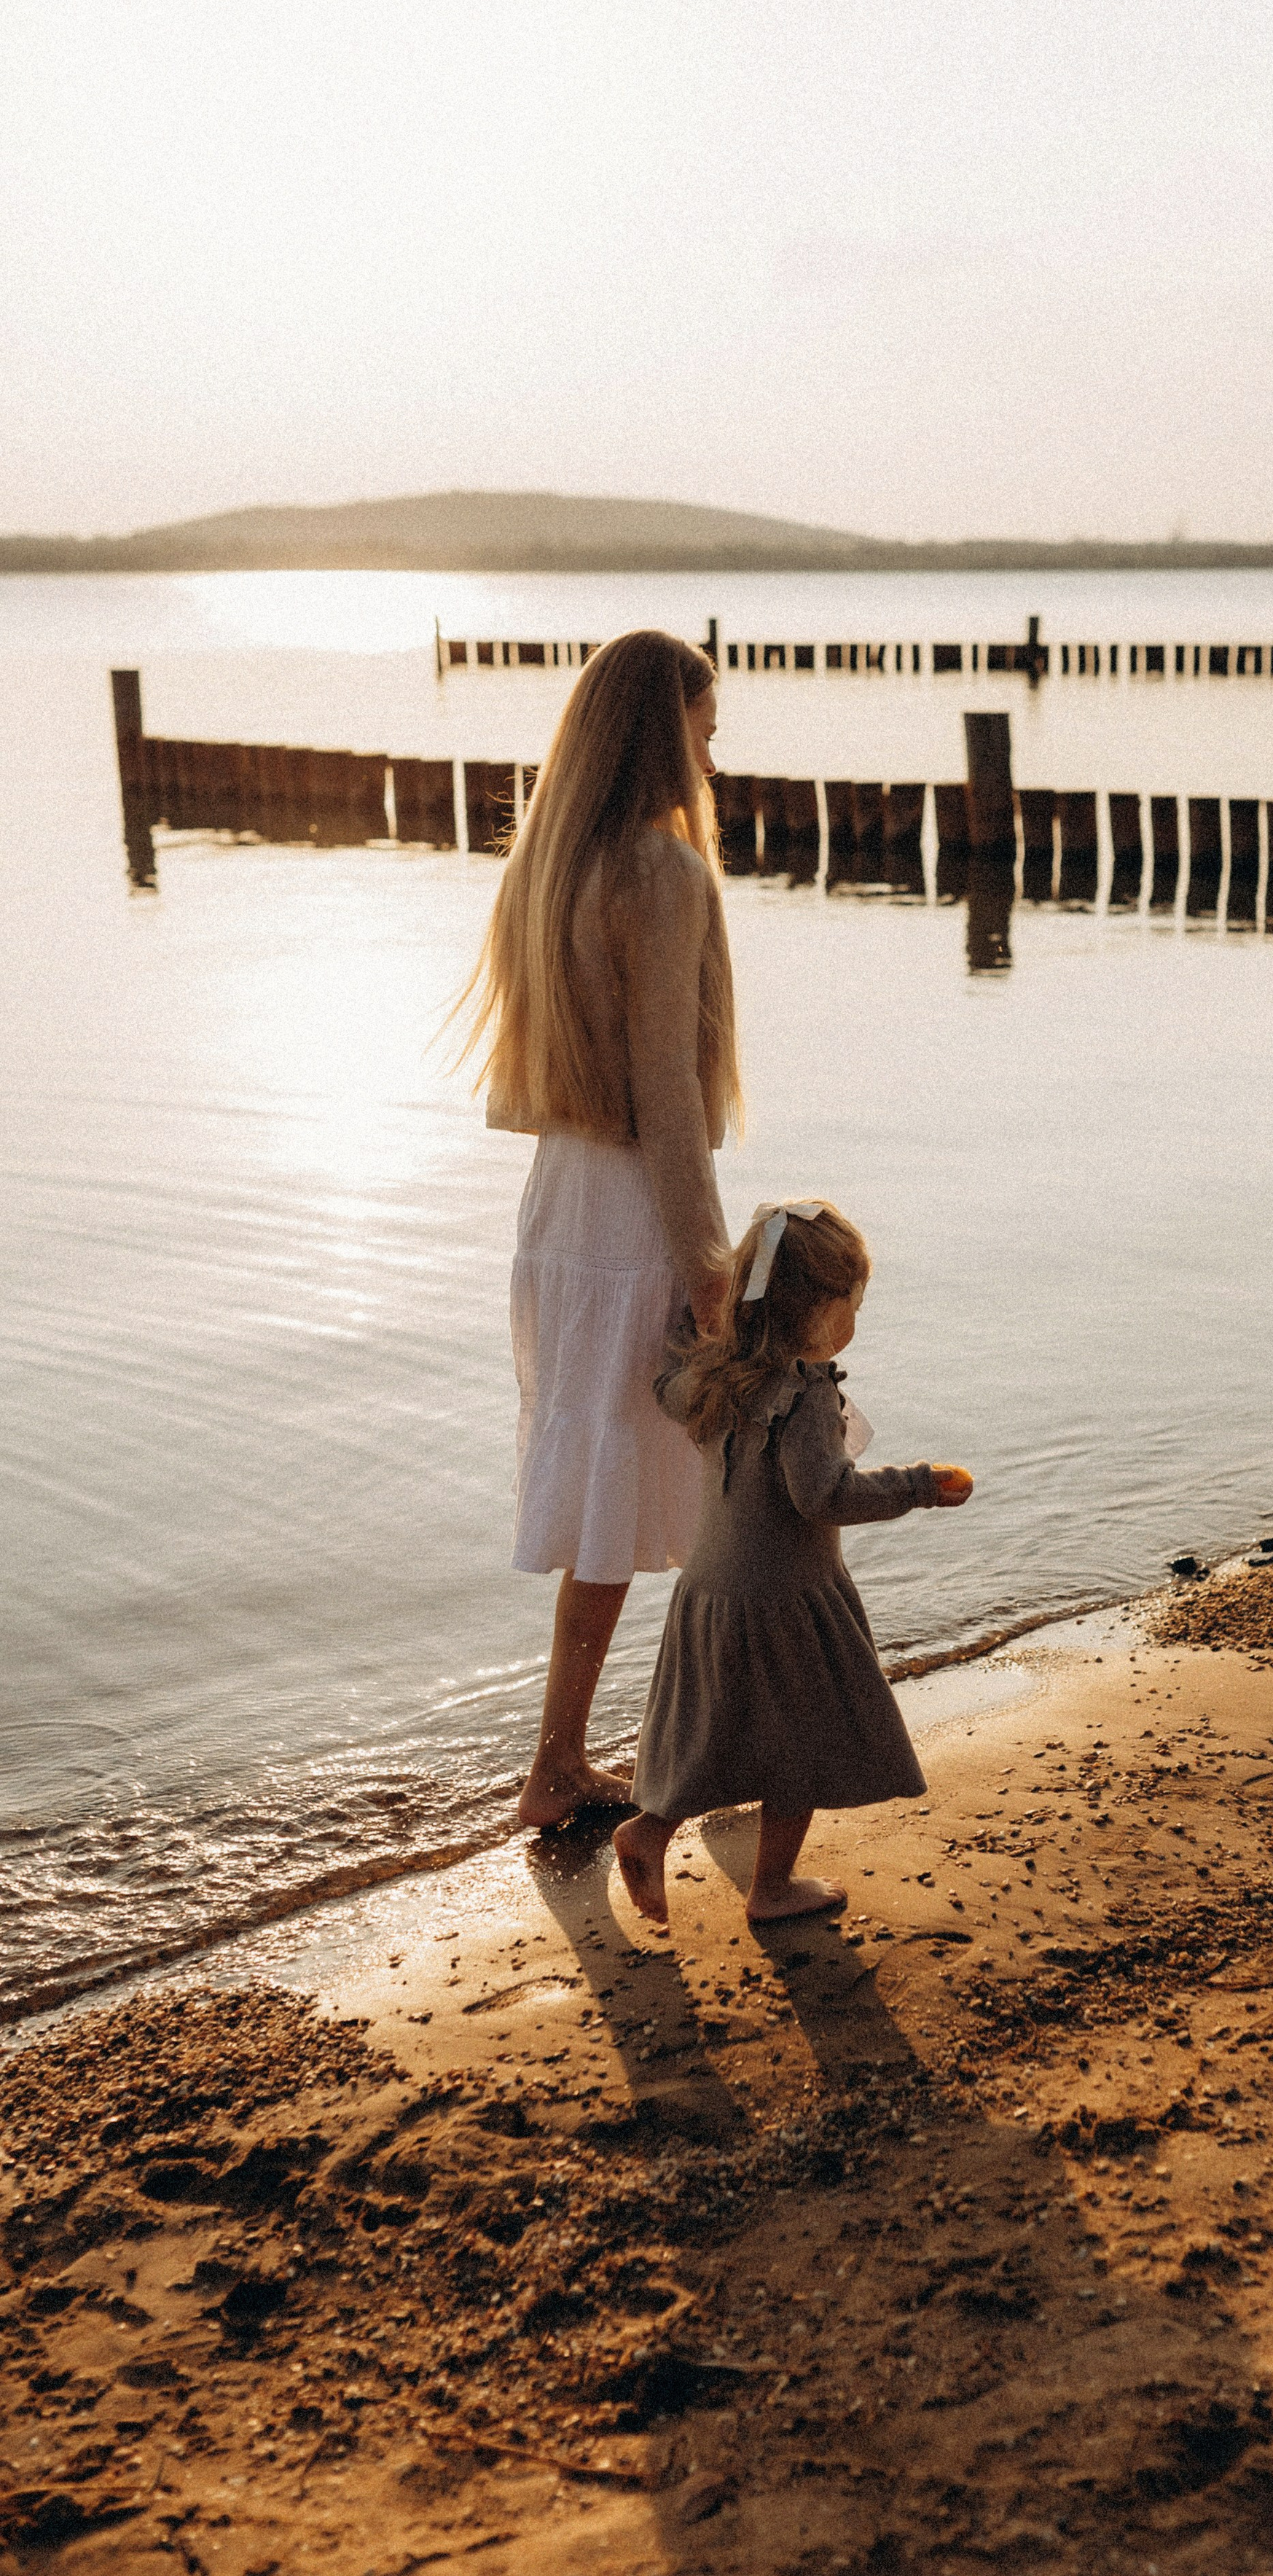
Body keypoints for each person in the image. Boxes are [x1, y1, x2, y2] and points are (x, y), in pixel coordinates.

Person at [453, 630, 740, 1828]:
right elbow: (667, 1094)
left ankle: (569, 1758)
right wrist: (710, 1264)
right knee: (707, 1484)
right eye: (706, 733)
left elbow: (564, 1082)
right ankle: (599, 1757)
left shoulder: (546, 867)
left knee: (611, 1493)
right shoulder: (661, 875)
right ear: (661, 736)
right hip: (633, 1208)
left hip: (560, 1206)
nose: (716, 756)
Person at [613, 1200, 972, 1927]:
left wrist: (680, 1328)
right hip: (785, 1600)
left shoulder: (718, 1373)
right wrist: (917, 1485)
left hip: (710, 1592)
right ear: (817, 1310)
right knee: (798, 1744)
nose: (855, 1314)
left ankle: (649, 1831)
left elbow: (665, 1386)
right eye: (851, 1300)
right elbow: (824, 1495)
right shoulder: (804, 1397)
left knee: (712, 1729)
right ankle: (770, 1887)